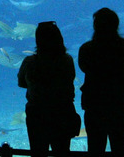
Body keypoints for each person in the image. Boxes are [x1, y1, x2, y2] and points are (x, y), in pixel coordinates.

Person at [78, 8, 124, 157]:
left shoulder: (86, 48)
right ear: (116, 25)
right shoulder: (123, 46)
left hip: (95, 106)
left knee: (95, 149)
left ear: (95, 26)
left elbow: (84, 68)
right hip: (120, 105)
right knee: (121, 148)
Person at [17, 21, 78, 157]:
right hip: (62, 112)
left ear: (38, 40)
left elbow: (21, 83)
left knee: (38, 152)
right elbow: (70, 79)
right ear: (59, 39)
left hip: (37, 114)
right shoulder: (67, 60)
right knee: (62, 152)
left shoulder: (30, 62)